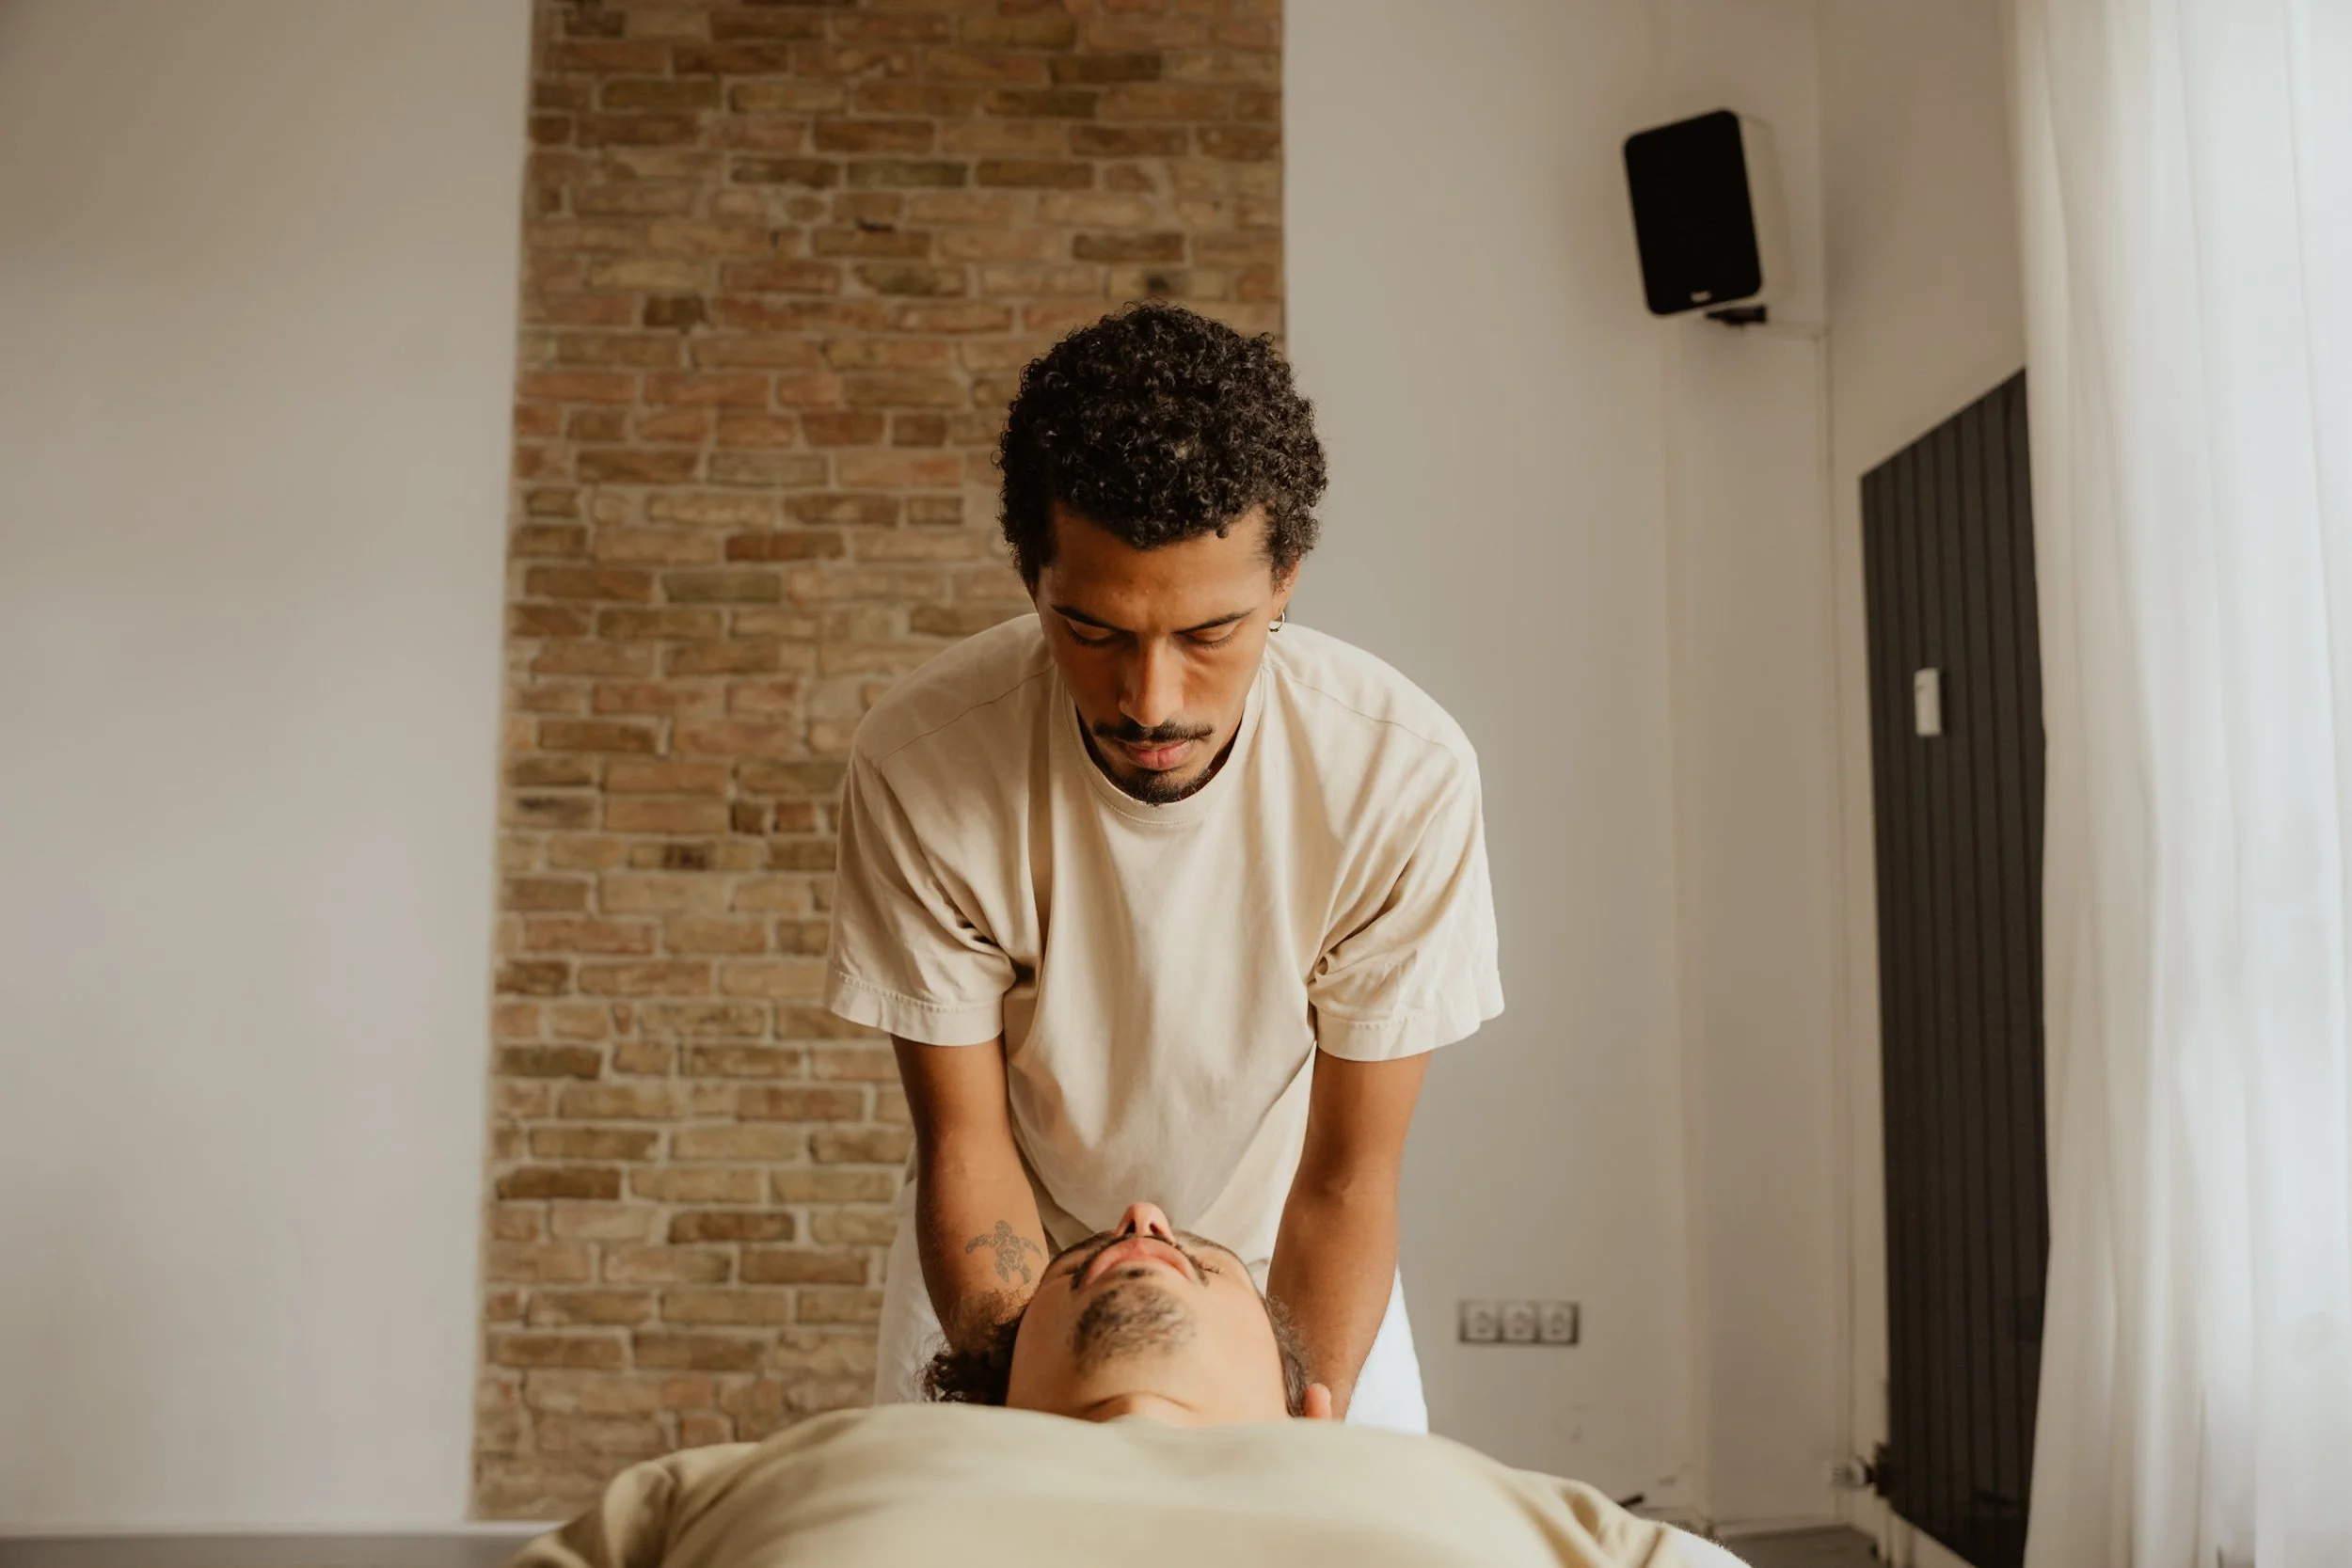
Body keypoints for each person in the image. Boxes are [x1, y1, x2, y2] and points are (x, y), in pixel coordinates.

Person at [824, 303, 1503, 1429]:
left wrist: (1292, 1427)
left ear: (1285, 579)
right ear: (1031, 577)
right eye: (1093, 631)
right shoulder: (924, 761)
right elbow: (966, 1142)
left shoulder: (1398, 777)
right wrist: (1025, 1397)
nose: (1150, 700)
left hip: (1284, 1261)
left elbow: (1345, 1176)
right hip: (1020, 1265)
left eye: (1206, 634)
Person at [506, 1204, 1718, 1568]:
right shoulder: (746, 1481)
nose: (1143, 1216)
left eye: (1204, 1256)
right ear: (982, 1402)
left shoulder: (1515, 1506)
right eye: (1072, 1261)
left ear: (1312, 1408)